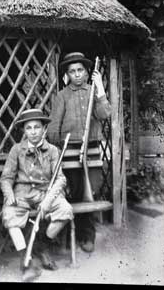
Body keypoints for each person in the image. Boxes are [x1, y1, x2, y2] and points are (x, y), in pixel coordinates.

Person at [48, 52, 111, 253]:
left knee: (90, 192)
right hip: (69, 150)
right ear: (67, 74)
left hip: (91, 149)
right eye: (72, 71)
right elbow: (54, 126)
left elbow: (104, 114)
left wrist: (99, 87)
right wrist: (56, 147)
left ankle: (87, 235)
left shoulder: (93, 91)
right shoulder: (62, 95)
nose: (76, 74)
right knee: (73, 192)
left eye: (80, 70)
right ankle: (70, 237)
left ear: (86, 72)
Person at [0, 108, 73, 282]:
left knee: (66, 210)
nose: (33, 132)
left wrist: (47, 202)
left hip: (45, 193)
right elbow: (6, 178)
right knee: (9, 214)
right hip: (22, 194)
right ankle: (26, 258)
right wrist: (9, 193)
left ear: (44, 129)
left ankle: (42, 245)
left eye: (37, 127)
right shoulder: (17, 150)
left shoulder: (53, 150)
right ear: (24, 131)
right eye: (29, 128)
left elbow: (60, 179)